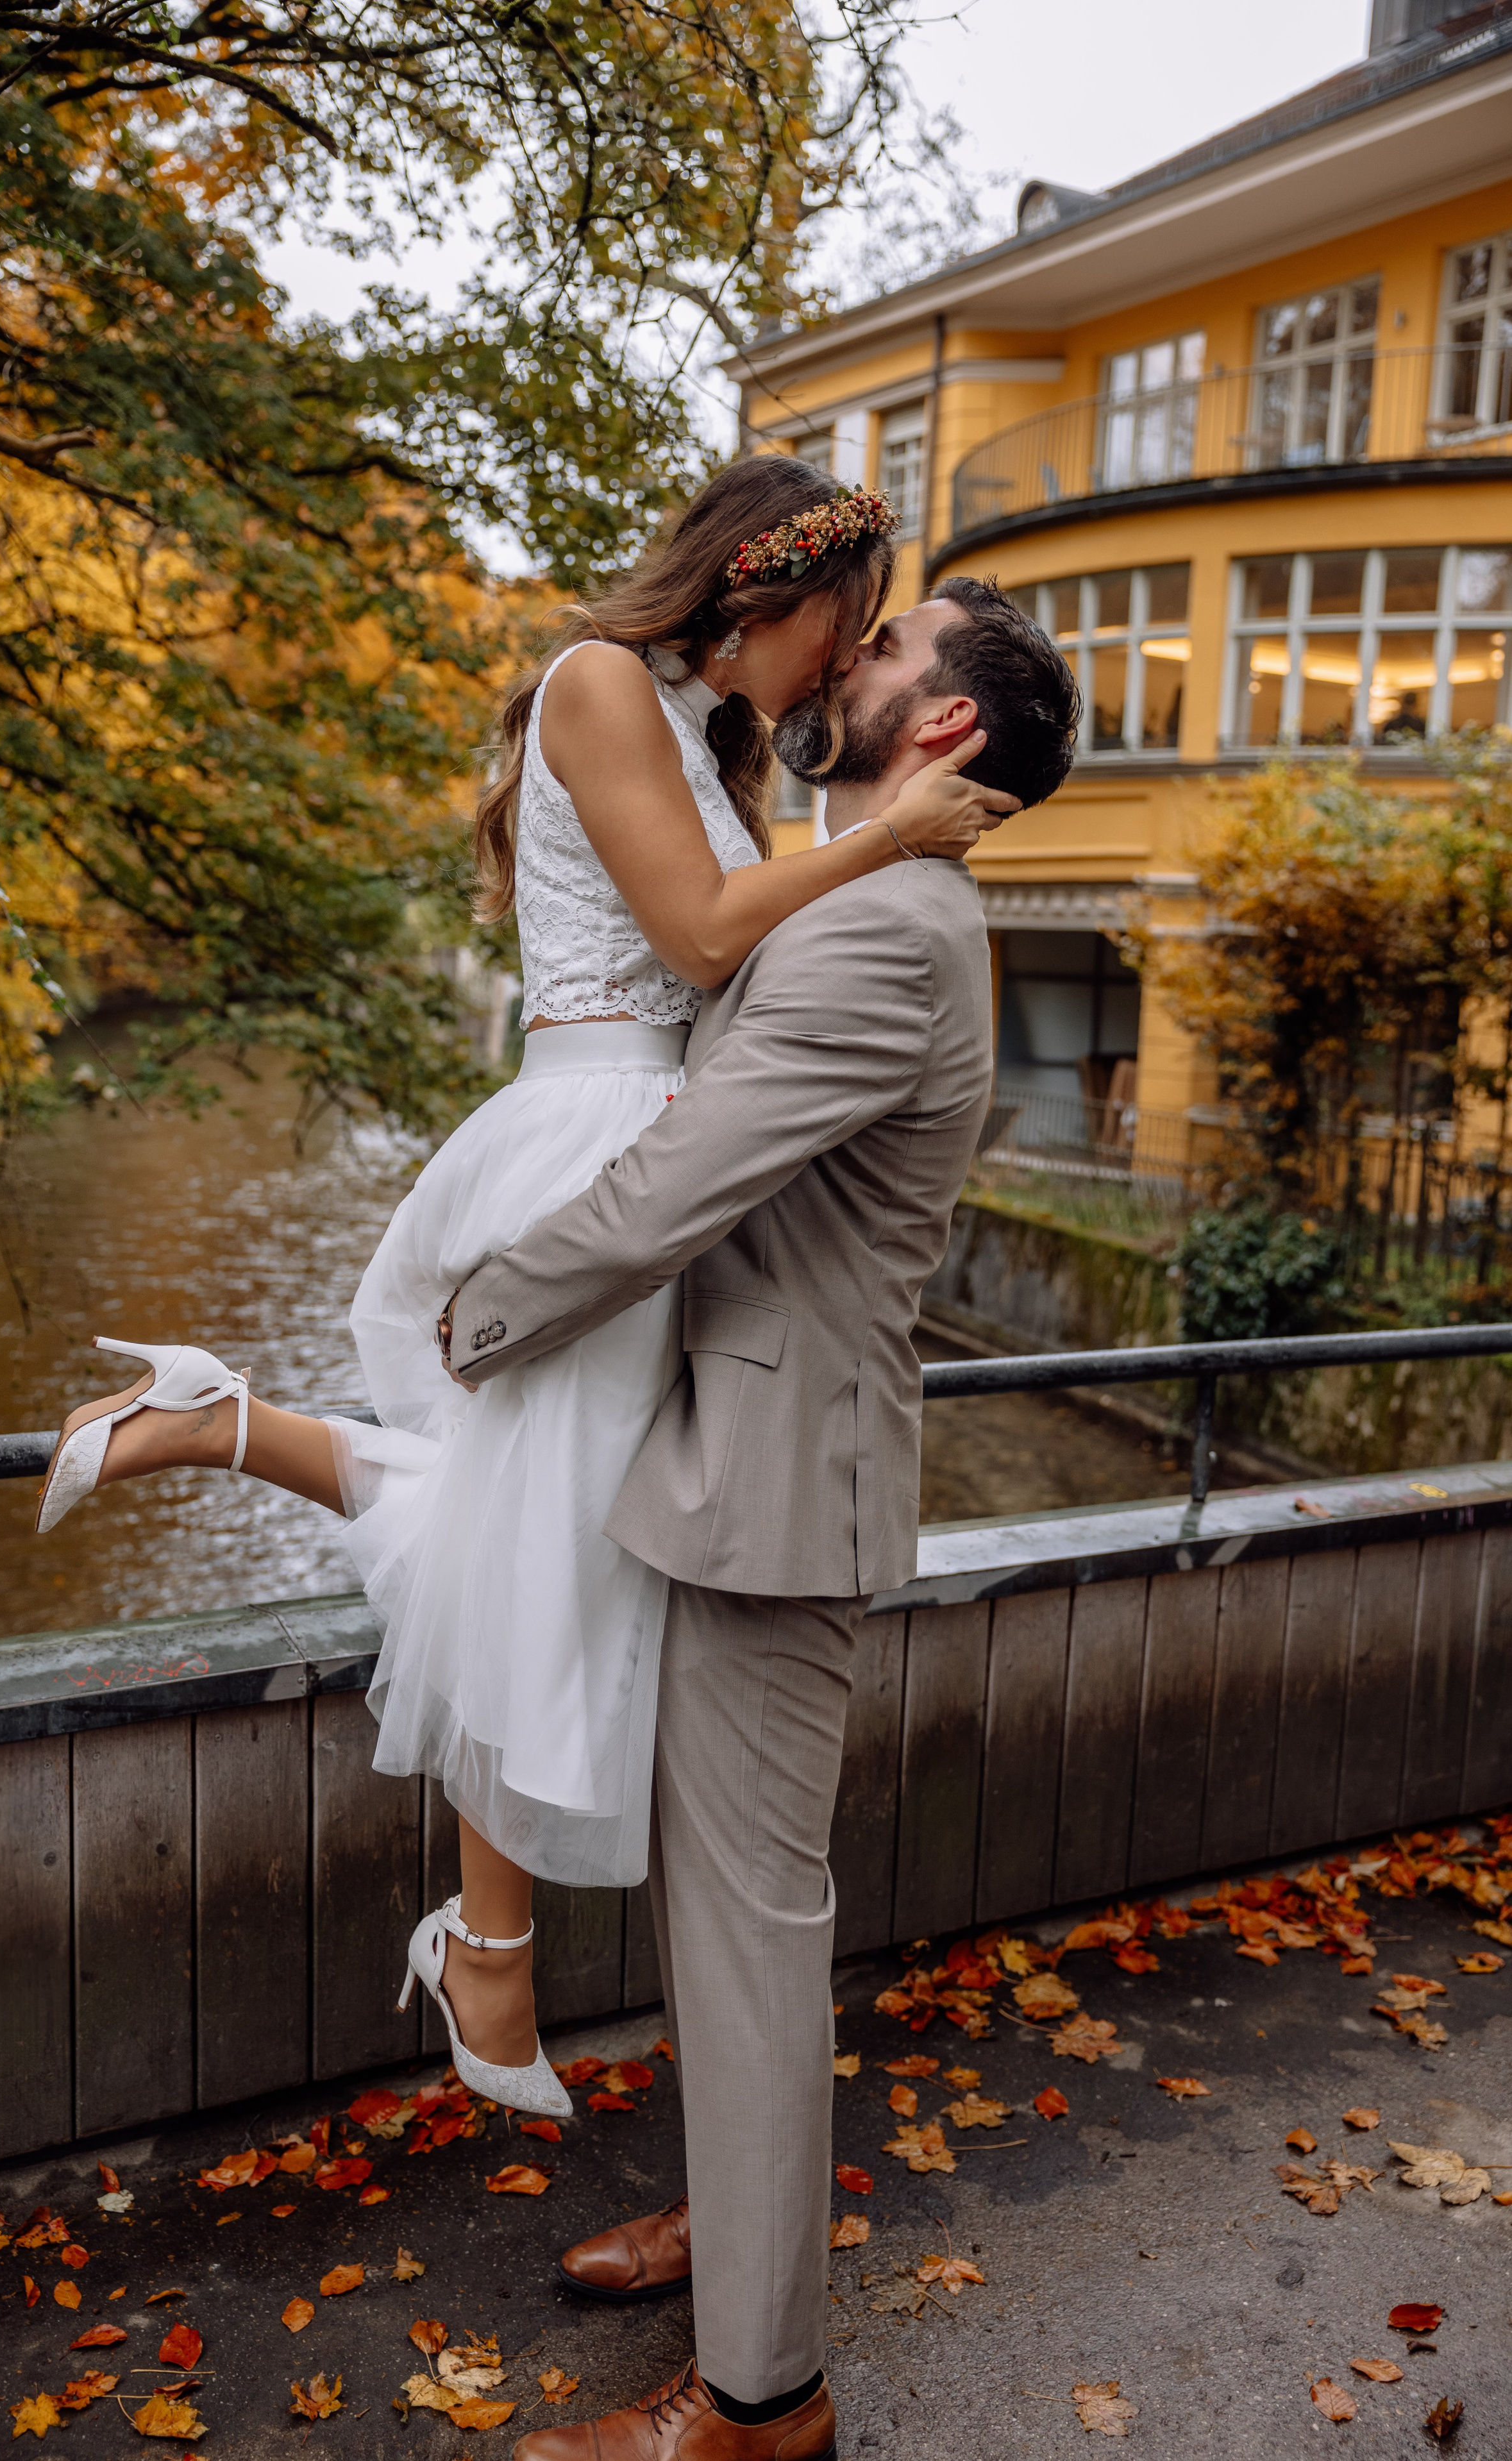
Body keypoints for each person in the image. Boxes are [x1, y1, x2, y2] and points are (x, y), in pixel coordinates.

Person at [31, 460, 1020, 2121]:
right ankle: (487, 1948)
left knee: (539, 1519)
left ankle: (219, 1422)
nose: (838, 672)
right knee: (549, 1539)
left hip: (652, 1122)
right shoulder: (600, 683)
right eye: (843, 634)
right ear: (765, 595)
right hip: (593, 1134)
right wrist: (896, 840)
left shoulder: (705, 736)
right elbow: (706, 940)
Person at [439, 575, 1080, 2460]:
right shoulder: (872, 891)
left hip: (778, 1492)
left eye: (886, 652)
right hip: (740, 1463)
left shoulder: (891, 929)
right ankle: (742, 2230)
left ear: (947, 726)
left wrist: (480, 1315)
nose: (845, 660)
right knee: (737, 1924)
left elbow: (685, 1181)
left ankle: (760, 2400)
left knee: (746, 1930)